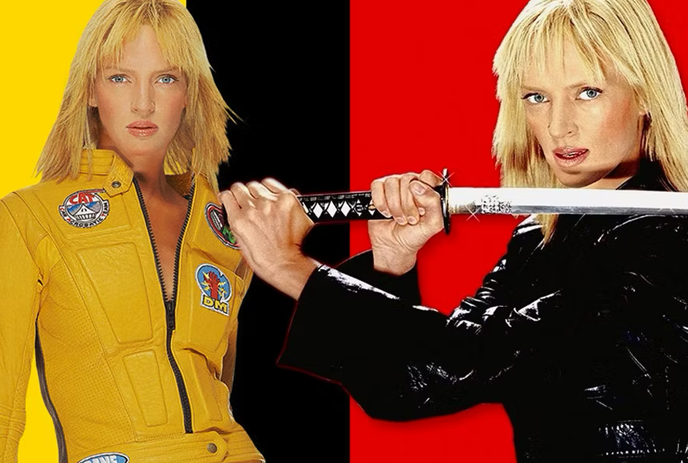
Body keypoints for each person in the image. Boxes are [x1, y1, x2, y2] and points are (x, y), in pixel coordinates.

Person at [219, 0, 688, 461]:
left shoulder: (666, 240)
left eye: (588, 92)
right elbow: (409, 387)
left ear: (645, 94)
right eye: (536, 97)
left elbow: (463, 360)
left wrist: (290, 267)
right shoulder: (540, 235)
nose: (559, 126)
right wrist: (391, 260)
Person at [0, 1, 263, 462]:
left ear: (189, 94)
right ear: (90, 90)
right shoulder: (27, 216)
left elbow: (220, 381)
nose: (144, 103)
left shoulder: (221, 226)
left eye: (166, 78)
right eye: (120, 77)